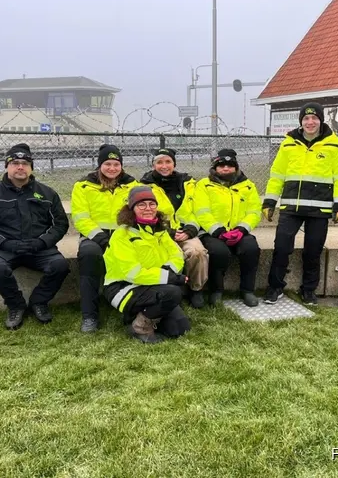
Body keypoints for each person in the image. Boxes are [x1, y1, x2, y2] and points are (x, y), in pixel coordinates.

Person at [0, 144, 70, 330]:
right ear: (7, 166)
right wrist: (4, 243)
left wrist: (42, 242)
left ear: (31, 167)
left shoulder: (47, 193)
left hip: (39, 248)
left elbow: (61, 224)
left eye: (25, 163)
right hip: (4, 249)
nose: (20, 167)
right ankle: (16, 305)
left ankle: (39, 302)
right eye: (15, 163)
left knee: (60, 266)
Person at [262, 102, 338, 305]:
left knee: (313, 250)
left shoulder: (335, 145)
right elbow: (276, 175)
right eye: (306, 119)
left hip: (319, 209)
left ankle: (309, 290)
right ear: (301, 121)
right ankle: (274, 287)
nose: (310, 122)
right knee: (282, 247)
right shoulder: (288, 144)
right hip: (291, 208)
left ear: (321, 120)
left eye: (314, 118)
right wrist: (270, 201)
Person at [103, 186, 191, 344]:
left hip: (154, 285)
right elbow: (132, 273)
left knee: (179, 329)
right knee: (173, 292)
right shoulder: (122, 234)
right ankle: (139, 327)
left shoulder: (160, 230)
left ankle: (144, 315)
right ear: (132, 209)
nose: (148, 209)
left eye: (152, 204)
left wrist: (167, 272)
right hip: (124, 288)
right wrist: (168, 277)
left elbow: (177, 255)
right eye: (141, 205)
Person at [71, 144, 139, 332]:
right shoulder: (83, 186)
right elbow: (81, 217)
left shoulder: (132, 185)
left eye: (116, 164)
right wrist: (100, 237)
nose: (112, 168)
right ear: (100, 164)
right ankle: (89, 315)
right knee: (89, 256)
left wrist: (121, 237)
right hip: (93, 236)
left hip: (123, 235)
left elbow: (135, 212)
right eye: (107, 163)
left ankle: (132, 307)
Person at [140, 147, 209, 308]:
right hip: (159, 233)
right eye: (159, 162)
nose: (164, 166)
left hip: (187, 231)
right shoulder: (144, 186)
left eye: (168, 162)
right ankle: (170, 291)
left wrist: (191, 229)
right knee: (168, 257)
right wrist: (168, 231)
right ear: (153, 165)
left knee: (197, 252)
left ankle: (195, 289)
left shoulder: (189, 184)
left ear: (174, 164)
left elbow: (198, 210)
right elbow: (144, 214)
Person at [193, 149, 261, 307]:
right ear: (215, 167)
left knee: (251, 249)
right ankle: (217, 290)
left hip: (239, 231)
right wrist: (219, 231)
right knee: (219, 252)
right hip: (212, 232)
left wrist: (242, 230)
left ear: (236, 167)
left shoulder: (248, 186)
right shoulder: (204, 185)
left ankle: (247, 291)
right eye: (221, 165)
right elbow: (201, 211)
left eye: (230, 165)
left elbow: (254, 211)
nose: (225, 169)